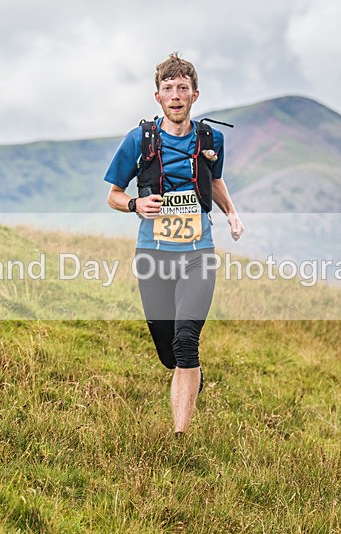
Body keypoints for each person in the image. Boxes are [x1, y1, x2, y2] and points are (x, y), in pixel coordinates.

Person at [104, 53, 244, 435]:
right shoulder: (139, 140)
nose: (176, 95)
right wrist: (135, 203)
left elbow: (214, 181)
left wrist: (230, 212)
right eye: (169, 89)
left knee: (186, 342)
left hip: (198, 253)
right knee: (169, 353)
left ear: (195, 95)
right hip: (153, 255)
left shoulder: (210, 138)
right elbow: (113, 195)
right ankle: (188, 373)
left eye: (183, 88)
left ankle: (180, 436)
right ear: (158, 96)